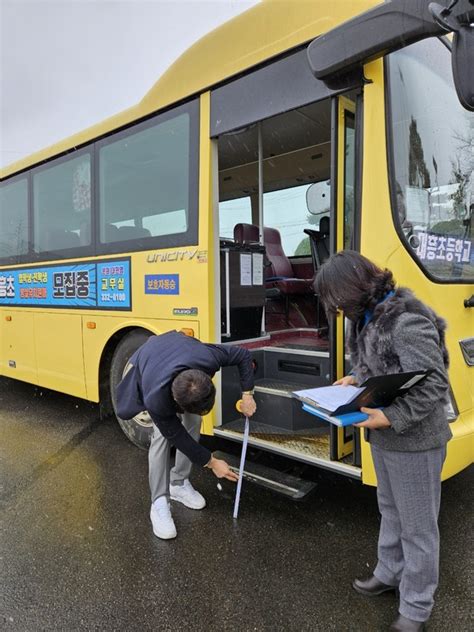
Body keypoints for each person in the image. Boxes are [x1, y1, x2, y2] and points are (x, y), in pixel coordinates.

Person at [314, 251, 451, 632]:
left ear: (355, 288)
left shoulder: (406, 321)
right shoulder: (365, 316)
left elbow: (435, 385)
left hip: (416, 439)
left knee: (419, 527)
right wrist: (355, 378)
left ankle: (416, 609)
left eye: (336, 299)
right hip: (384, 435)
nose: (335, 308)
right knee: (389, 509)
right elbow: (377, 363)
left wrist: (392, 415)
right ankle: (389, 573)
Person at [115, 330, 256, 540]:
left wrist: (247, 395)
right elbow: (177, 436)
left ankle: (178, 483)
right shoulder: (157, 398)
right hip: (150, 359)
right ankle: (159, 502)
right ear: (177, 403)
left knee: (194, 420)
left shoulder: (207, 357)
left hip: (179, 351)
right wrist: (212, 462)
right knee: (162, 438)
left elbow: (244, 356)